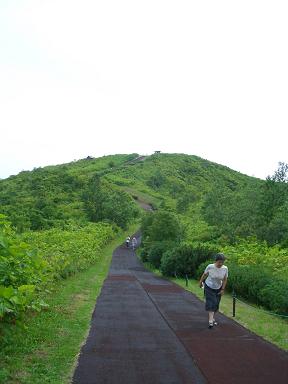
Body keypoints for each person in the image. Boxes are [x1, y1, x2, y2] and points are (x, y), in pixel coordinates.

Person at [199, 253, 228, 329]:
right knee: (210, 302)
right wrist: (200, 282)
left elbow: (225, 279)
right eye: (219, 262)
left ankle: (212, 317)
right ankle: (210, 321)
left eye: (222, 262)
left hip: (218, 287)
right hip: (209, 286)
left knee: (216, 304)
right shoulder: (210, 266)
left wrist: (222, 289)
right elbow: (204, 274)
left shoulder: (225, 268)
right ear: (215, 261)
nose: (220, 264)